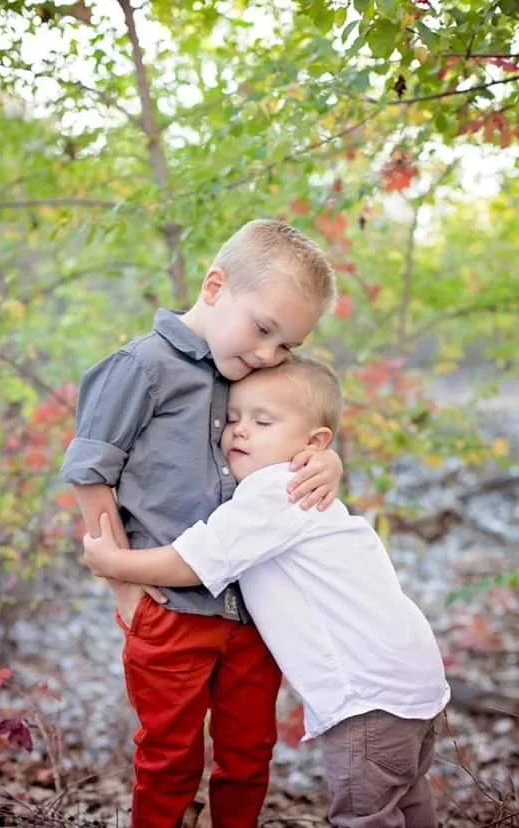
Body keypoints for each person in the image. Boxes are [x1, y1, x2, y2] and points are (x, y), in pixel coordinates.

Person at [83, 356, 450, 828]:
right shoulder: (301, 491)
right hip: (409, 686)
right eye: (232, 419)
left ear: (314, 443)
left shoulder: (278, 492)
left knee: (366, 816)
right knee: (409, 805)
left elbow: (198, 560)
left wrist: (116, 565)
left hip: (368, 699)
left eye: (262, 421)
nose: (239, 431)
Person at [61, 219, 343, 828]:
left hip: (253, 610)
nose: (270, 354)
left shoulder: (252, 369)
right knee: (170, 756)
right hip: (170, 607)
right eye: (264, 329)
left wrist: (330, 458)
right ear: (215, 286)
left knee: (248, 753)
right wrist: (125, 590)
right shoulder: (142, 367)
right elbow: (91, 474)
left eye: (286, 345)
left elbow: (303, 425)